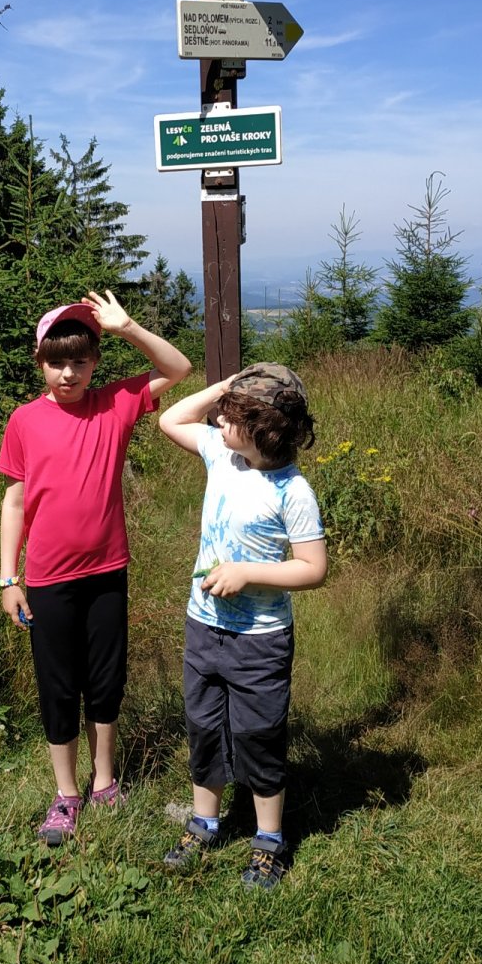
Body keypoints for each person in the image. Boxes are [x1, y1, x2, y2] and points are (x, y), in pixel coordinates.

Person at [0, 289, 192, 845]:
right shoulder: (25, 420)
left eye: (80, 361)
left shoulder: (115, 403)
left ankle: (104, 782)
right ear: (40, 362)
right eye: (57, 362)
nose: (69, 373)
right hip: (48, 579)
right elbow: (15, 501)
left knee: (106, 681)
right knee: (59, 686)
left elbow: (177, 368)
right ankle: (66, 794)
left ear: (94, 362)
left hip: (107, 572)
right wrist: (9, 578)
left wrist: (128, 327)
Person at [158, 363, 327, 889]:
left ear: (263, 431)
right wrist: (226, 387)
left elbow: (313, 568)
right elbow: (170, 419)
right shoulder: (222, 454)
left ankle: (268, 839)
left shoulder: (292, 490)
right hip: (203, 627)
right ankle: (204, 823)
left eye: (231, 417)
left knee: (259, 736)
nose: (217, 420)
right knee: (203, 727)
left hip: (260, 641)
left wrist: (248, 573)